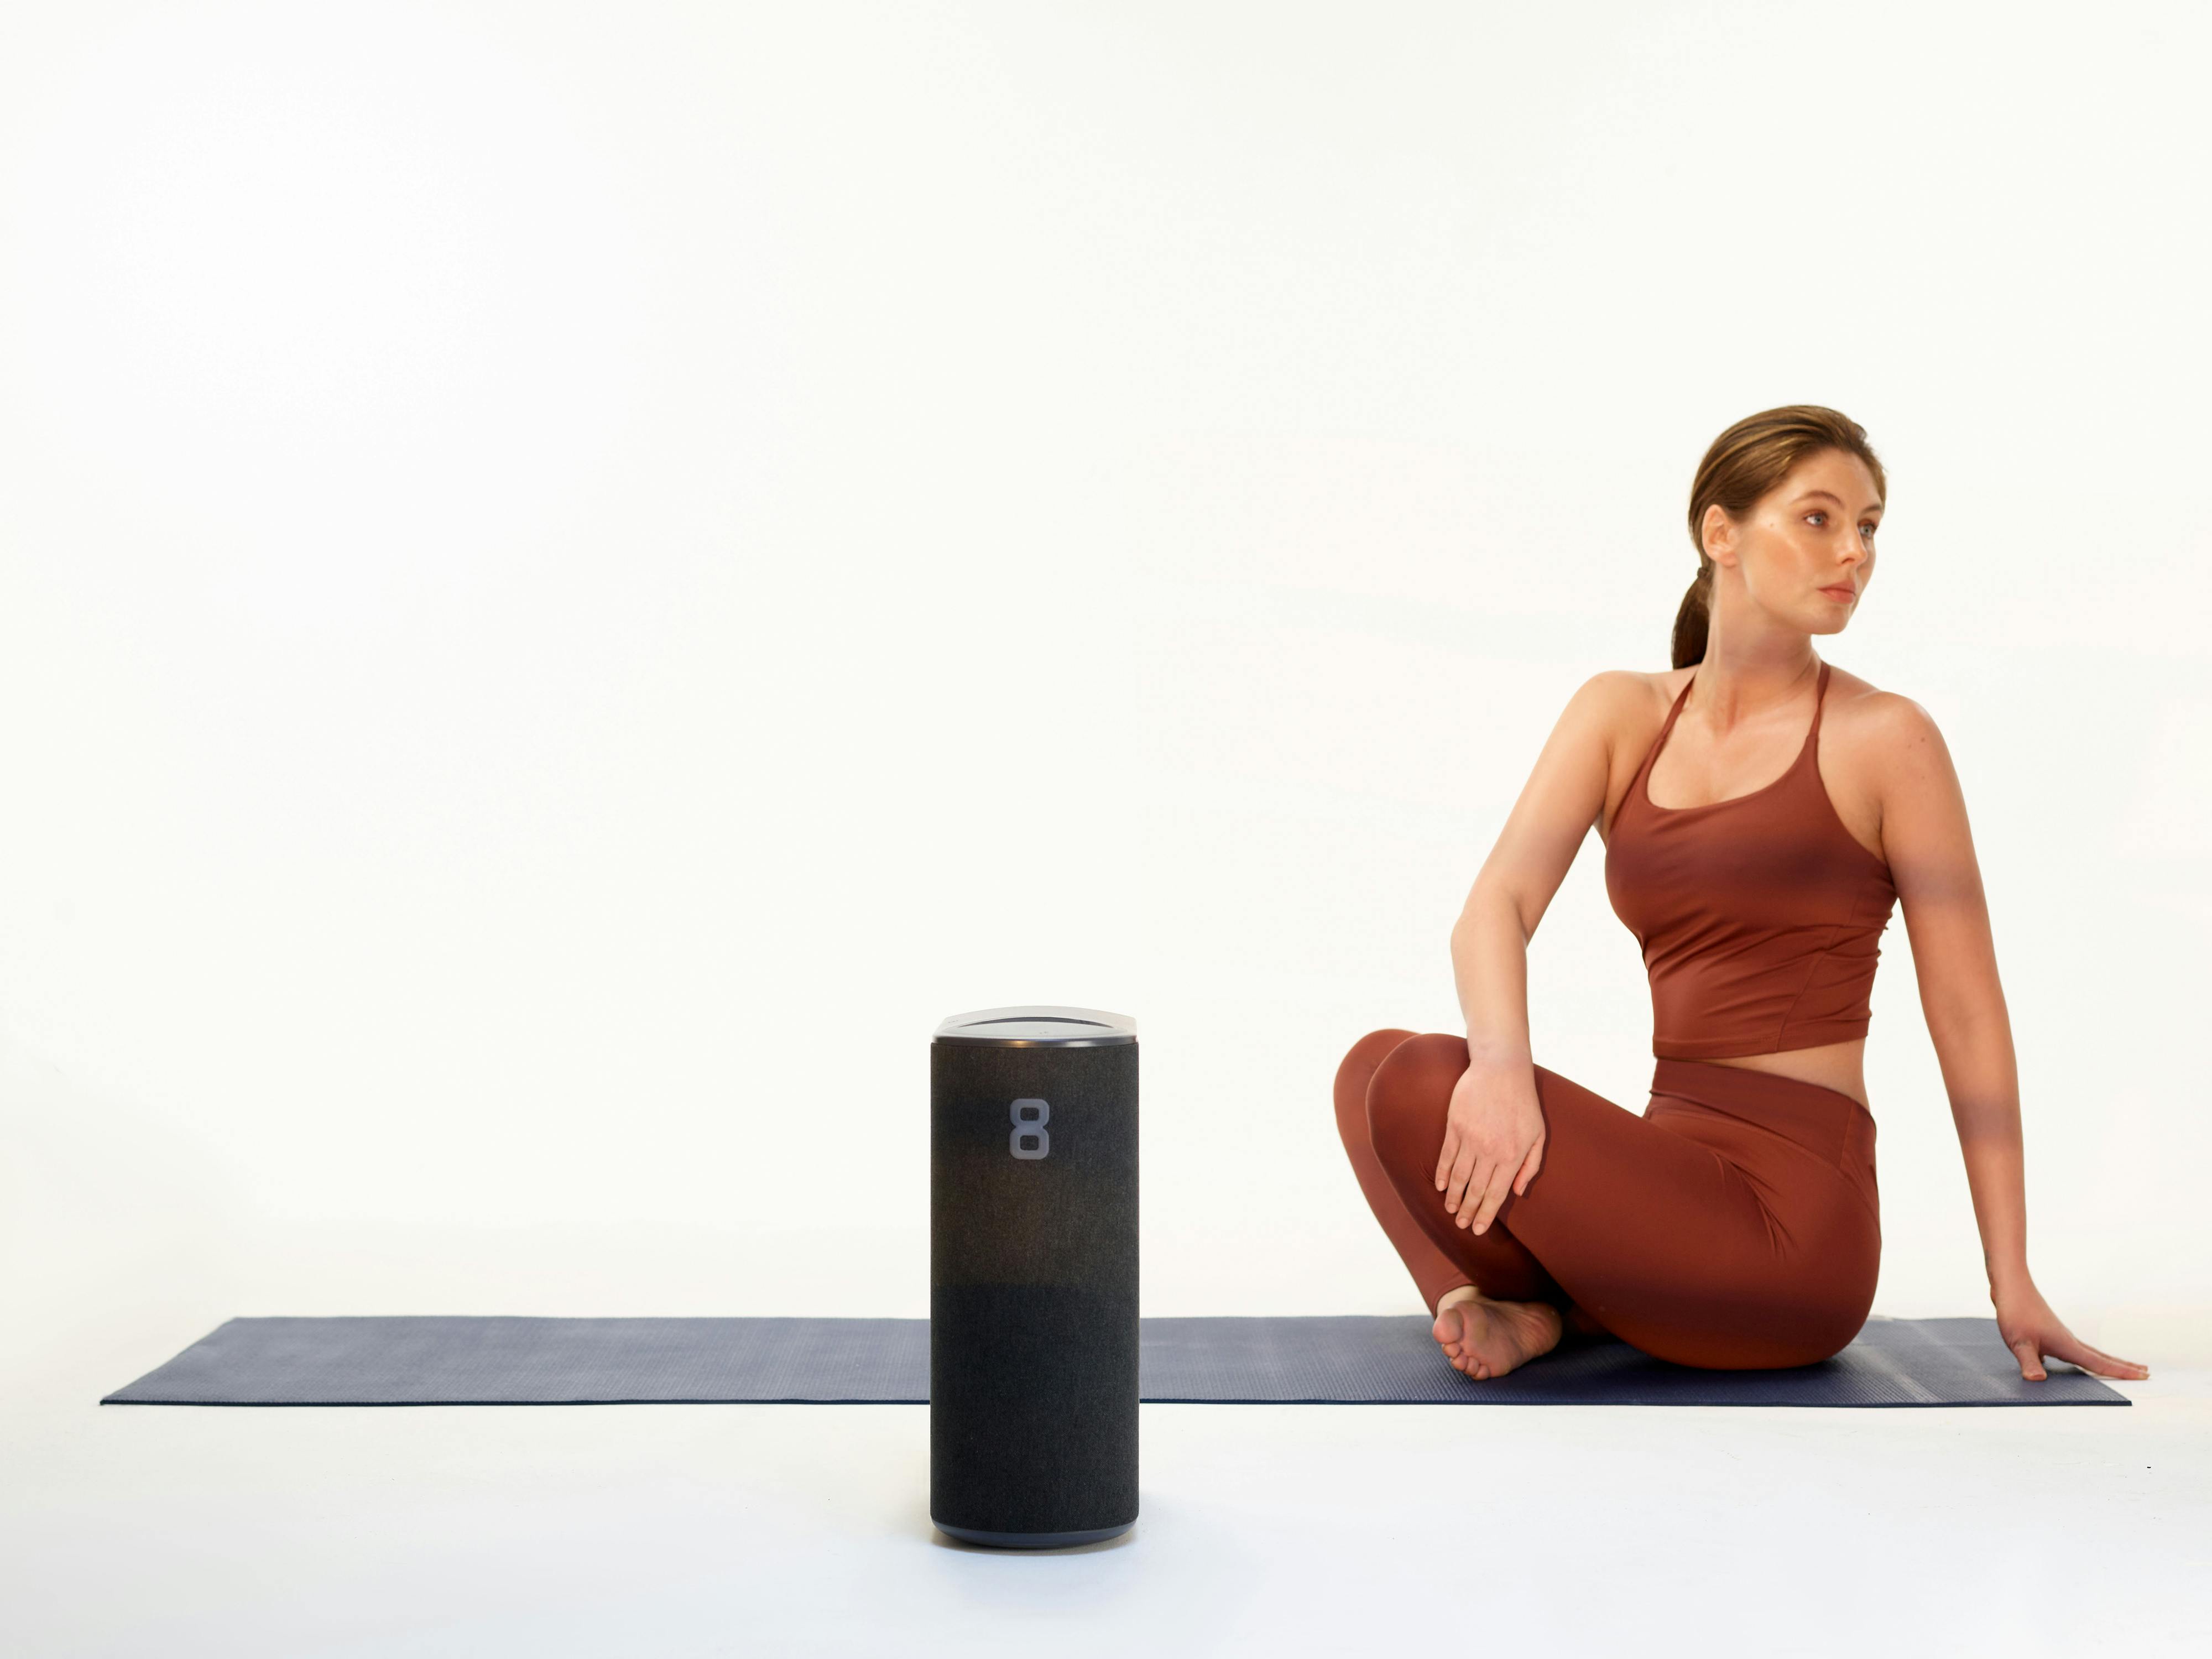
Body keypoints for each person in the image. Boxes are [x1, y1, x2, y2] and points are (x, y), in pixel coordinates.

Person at [1334, 404, 2150, 1385]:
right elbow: (1495, 909)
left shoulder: (1886, 740)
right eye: (1818, 518)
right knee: (1375, 1071)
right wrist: (1505, 1064)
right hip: (1672, 1178)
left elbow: (1968, 1015)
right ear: (1720, 534)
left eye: (1869, 526)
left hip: (1796, 1231)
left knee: (1422, 1082)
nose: (1853, 550)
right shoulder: (1621, 714)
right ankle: (1510, 1306)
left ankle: (1556, 1307)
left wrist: (2010, 1278)